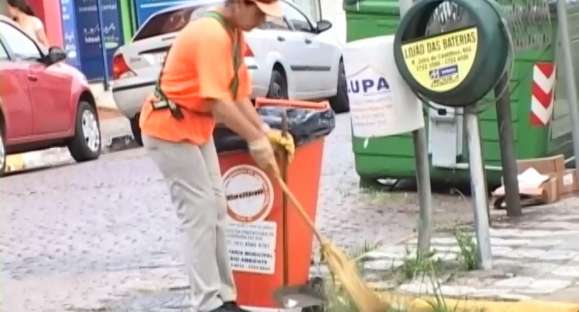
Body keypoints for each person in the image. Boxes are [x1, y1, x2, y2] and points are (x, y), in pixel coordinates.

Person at [139, 1, 294, 312]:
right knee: (199, 213)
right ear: (238, 4)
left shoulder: (234, 34)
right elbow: (218, 103)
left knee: (217, 207)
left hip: (196, 128)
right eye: (259, 11)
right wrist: (254, 140)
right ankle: (207, 303)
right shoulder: (211, 34)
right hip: (168, 128)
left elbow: (237, 96)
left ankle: (224, 297)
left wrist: (264, 131)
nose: (262, 19)